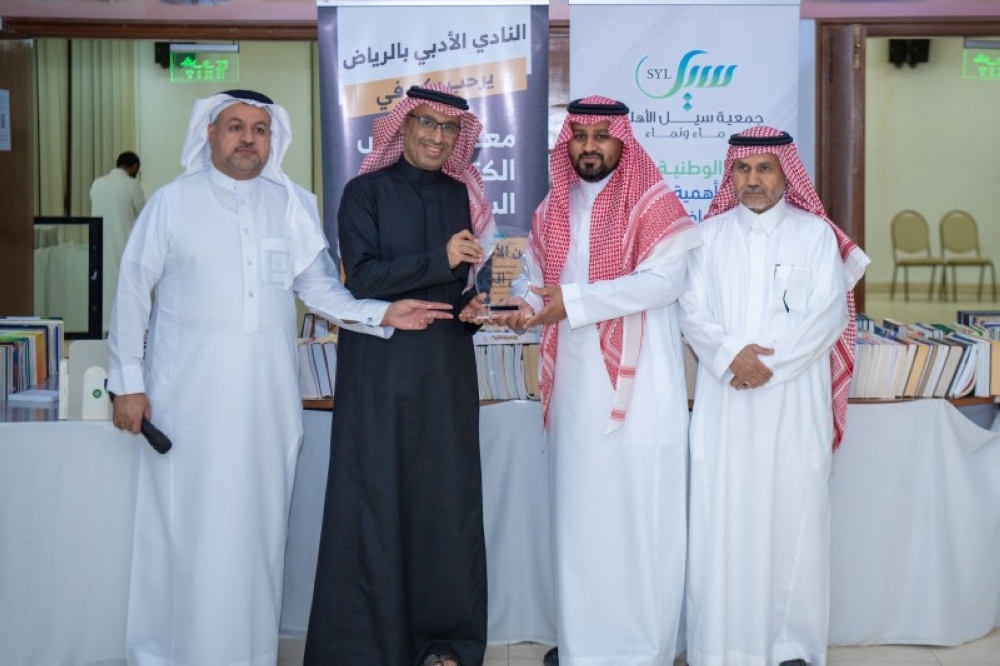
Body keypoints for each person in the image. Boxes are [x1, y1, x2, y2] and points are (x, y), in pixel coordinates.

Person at [107, 89, 452, 666]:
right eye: (235, 127)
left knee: (258, 536)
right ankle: (166, 655)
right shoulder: (171, 203)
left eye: (260, 129)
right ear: (210, 134)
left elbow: (319, 289)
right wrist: (128, 383)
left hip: (267, 403)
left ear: (274, 139)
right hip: (186, 403)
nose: (248, 139)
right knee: (185, 531)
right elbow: (130, 293)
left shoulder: (291, 204)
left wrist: (381, 313)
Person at [487, 96, 700, 665]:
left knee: (639, 516)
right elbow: (538, 282)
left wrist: (574, 303)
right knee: (580, 517)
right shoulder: (551, 208)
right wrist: (520, 309)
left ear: (621, 142)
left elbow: (664, 283)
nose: (588, 146)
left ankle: (643, 650)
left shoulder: (654, 203)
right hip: (575, 386)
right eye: (579, 136)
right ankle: (586, 647)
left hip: (642, 386)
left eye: (601, 136)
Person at [304, 84, 493, 666]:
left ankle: (444, 642)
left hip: (444, 369)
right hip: (380, 370)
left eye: (449, 128)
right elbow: (363, 279)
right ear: (403, 128)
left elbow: (458, 286)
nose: (438, 137)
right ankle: (366, 645)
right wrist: (442, 258)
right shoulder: (364, 193)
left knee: (445, 503)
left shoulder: (461, 195)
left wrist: (471, 307)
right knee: (376, 500)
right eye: (426, 124)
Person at [679, 126, 870, 666]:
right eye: (743, 168)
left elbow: (828, 316)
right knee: (723, 519)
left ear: (786, 173)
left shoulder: (816, 236)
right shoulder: (706, 236)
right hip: (726, 402)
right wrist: (729, 357)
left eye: (765, 168)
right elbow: (691, 310)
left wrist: (766, 367)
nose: (753, 179)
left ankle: (792, 647)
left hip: (793, 402)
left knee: (794, 518)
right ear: (730, 174)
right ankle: (720, 646)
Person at [90, 150, 145, 331]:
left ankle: (102, 327)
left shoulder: (97, 184)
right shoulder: (131, 185)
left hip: (98, 245)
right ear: (134, 167)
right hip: (123, 244)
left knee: (103, 287)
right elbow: (144, 217)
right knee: (123, 288)